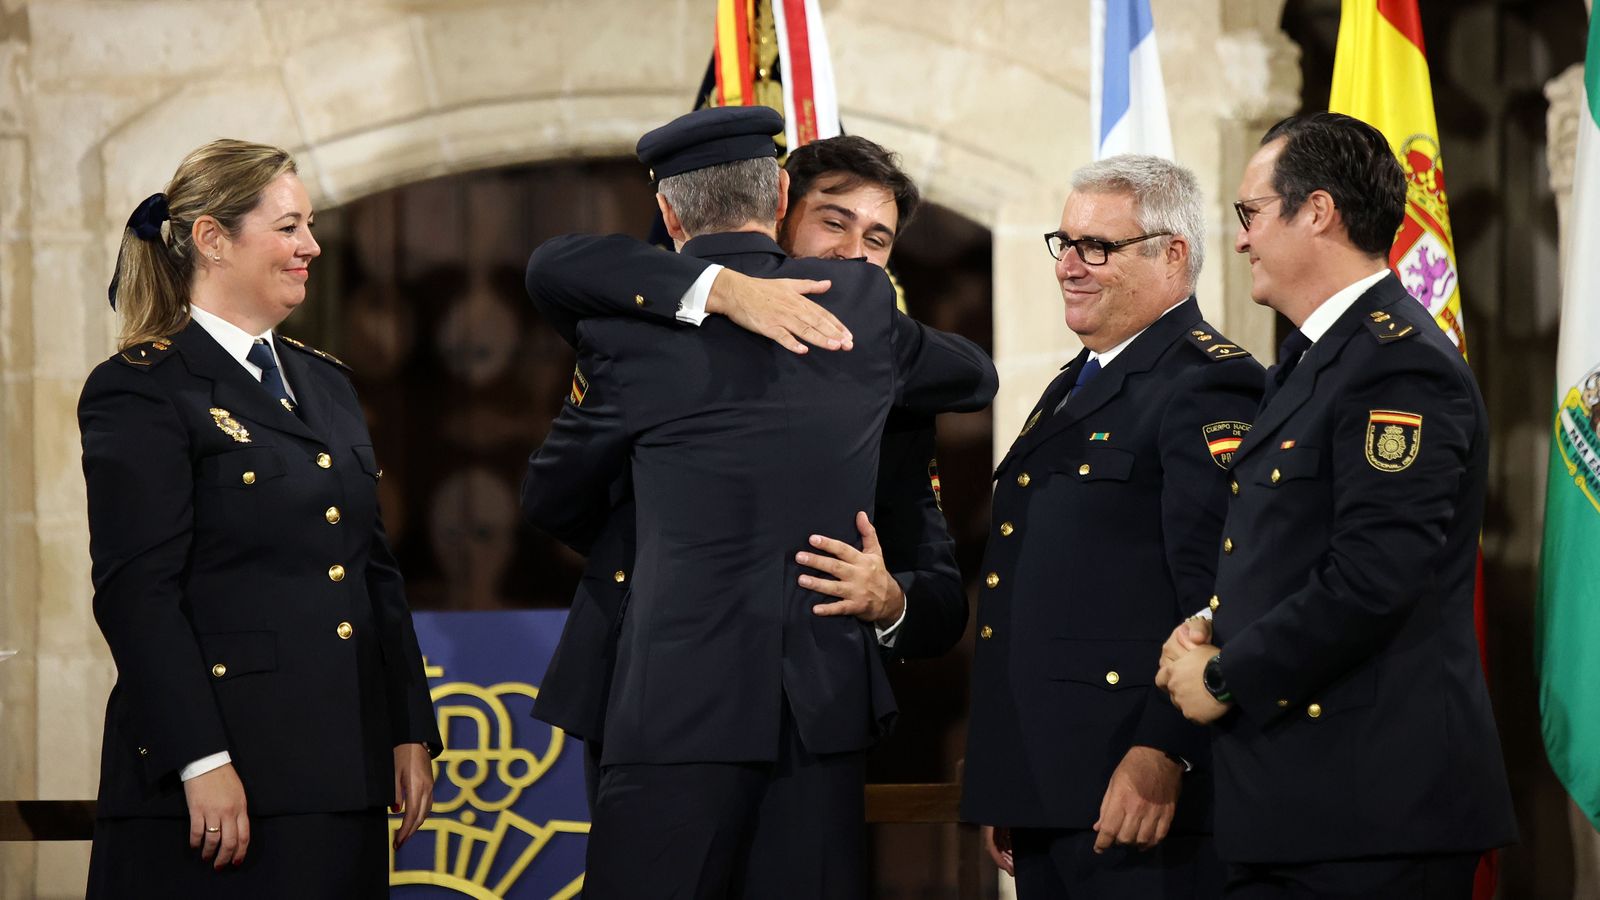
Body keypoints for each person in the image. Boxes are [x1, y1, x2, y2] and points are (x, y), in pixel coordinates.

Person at [519, 106, 996, 900]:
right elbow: (562, 268)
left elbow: (941, 589)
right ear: (780, 204)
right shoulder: (657, 314)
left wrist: (890, 600)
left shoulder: (879, 347)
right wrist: (722, 289)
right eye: (834, 224)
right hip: (654, 694)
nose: (853, 257)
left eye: (876, 242)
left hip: (798, 710)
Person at [1156, 112, 1516, 897]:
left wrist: (1226, 676)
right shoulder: (1314, 361)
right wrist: (1219, 621)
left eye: (1251, 213)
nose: (1241, 238)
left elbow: (1375, 576)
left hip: (1372, 817)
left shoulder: (1398, 369)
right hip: (1302, 810)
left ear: (1316, 211)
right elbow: (1291, 545)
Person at [79, 139, 442, 898]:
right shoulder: (143, 388)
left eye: (308, 225)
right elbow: (136, 593)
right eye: (287, 228)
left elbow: (370, 568)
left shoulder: (328, 384)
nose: (310, 245)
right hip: (221, 789)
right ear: (214, 239)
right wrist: (200, 760)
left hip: (340, 775)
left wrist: (410, 725)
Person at [959, 154, 1261, 898]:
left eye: (1098, 247)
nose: (1071, 266)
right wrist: (1013, 778)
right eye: (1064, 243)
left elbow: (1222, 594)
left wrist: (1168, 748)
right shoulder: (1077, 382)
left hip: (1142, 796)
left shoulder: (1205, 383)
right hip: (1054, 788)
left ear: (1174, 254)